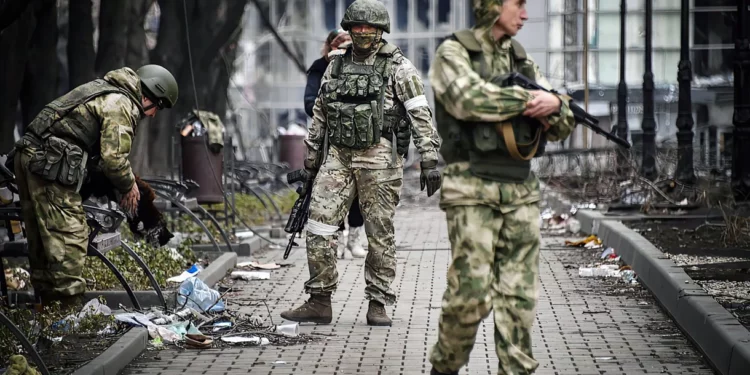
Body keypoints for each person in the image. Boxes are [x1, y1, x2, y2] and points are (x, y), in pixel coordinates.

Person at [427, 0, 576, 374]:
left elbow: (562, 122)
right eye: (518, 4)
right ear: (492, 6)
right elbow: (467, 100)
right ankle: (444, 369)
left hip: (521, 192)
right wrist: (534, 101)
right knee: (470, 297)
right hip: (471, 188)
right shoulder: (453, 52)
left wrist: (555, 103)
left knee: (518, 298)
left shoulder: (522, 60)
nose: (525, 14)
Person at [281, 0, 442, 327]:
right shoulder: (336, 65)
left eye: (370, 28)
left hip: (380, 159)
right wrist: (311, 164)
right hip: (338, 157)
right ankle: (319, 300)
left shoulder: (399, 68)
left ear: (382, 30)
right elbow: (320, 117)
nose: (364, 33)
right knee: (319, 225)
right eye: (357, 27)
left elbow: (420, 114)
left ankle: (378, 302)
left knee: (379, 232)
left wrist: (430, 158)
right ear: (349, 29)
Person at [13, 64, 178, 309]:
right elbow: (114, 160)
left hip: (31, 159)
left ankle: (47, 309)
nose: (153, 114)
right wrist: (128, 185)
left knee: (43, 241)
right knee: (69, 239)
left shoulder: (105, 90)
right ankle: (66, 313)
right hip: (49, 166)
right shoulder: (122, 103)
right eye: (158, 107)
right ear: (149, 95)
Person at [303, 29, 367, 259]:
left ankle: (355, 239)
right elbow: (310, 102)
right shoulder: (321, 67)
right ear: (330, 47)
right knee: (332, 193)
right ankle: (337, 239)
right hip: (331, 141)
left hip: (360, 141)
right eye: (339, 47)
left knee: (359, 192)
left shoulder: (364, 67)